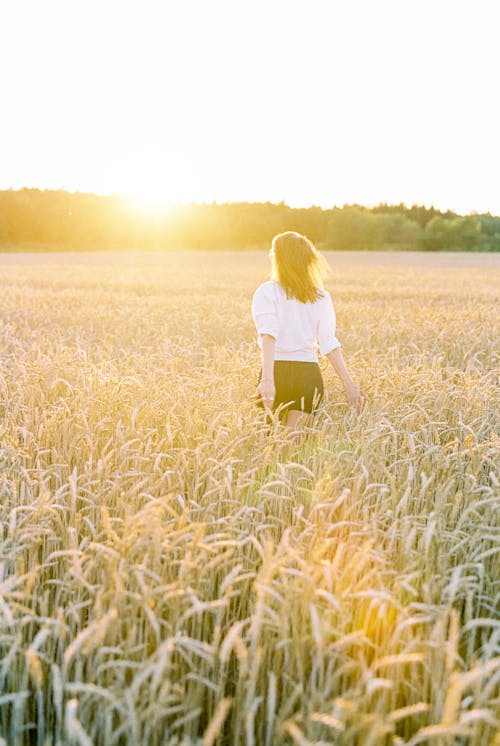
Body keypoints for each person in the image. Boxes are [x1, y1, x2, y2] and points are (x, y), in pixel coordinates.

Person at [252, 231, 364, 430]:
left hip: (276, 371)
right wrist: (349, 384)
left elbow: (269, 335)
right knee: (292, 449)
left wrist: (268, 379)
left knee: (269, 447)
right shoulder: (320, 297)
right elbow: (328, 343)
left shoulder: (267, 291)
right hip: (308, 376)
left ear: (279, 259)